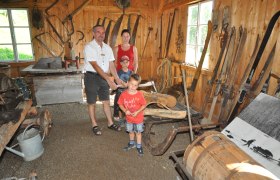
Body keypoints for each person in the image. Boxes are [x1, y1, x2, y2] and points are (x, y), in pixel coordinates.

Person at [83, 25, 124, 135]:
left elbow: (111, 65)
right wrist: (109, 80)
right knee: (92, 102)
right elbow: (95, 66)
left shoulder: (108, 48)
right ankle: (94, 125)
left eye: (103, 33)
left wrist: (117, 79)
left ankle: (110, 123)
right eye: (98, 32)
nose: (101, 35)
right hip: (91, 77)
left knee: (105, 101)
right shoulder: (89, 47)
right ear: (93, 33)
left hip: (103, 77)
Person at [118, 74, 146, 156]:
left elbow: (144, 105)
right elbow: (120, 104)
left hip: (138, 118)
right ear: (127, 82)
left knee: (138, 132)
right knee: (130, 131)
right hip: (129, 118)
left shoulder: (139, 94)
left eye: (135, 85)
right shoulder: (123, 94)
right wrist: (125, 110)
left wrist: (137, 112)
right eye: (131, 84)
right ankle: (131, 143)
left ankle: (139, 146)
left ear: (138, 86)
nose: (133, 87)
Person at [113, 55, 133, 124]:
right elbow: (117, 80)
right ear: (121, 63)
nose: (125, 64)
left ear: (129, 63)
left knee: (131, 101)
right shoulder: (118, 72)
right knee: (118, 101)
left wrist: (128, 84)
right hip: (120, 89)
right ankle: (118, 116)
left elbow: (132, 80)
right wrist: (123, 83)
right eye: (123, 62)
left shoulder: (131, 72)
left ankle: (129, 115)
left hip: (128, 89)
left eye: (126, 62)